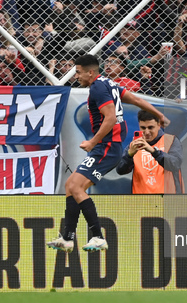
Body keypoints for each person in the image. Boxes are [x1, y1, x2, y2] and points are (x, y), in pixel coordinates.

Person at [46, 54, 170, 253]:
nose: (76, 76)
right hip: (105, 147)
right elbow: (136, 99)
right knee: (71, 186)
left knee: (76, 187)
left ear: (90, 72)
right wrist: (159, 114)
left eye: (78, 72)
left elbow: (110, 118)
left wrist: (92, 142)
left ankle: (97, 236)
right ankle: (67, 238)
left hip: (106, 147)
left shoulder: (97, 87)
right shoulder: (108, 84)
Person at [116, 110, 184, 194]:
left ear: (159, 125)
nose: (147, 132)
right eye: (143, 128)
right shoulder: (134, 145)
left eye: (150, 127)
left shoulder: (170, 140)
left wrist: (154, 152)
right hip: (142, 201)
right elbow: (120, 170)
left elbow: (175, 165)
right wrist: (129, 155)